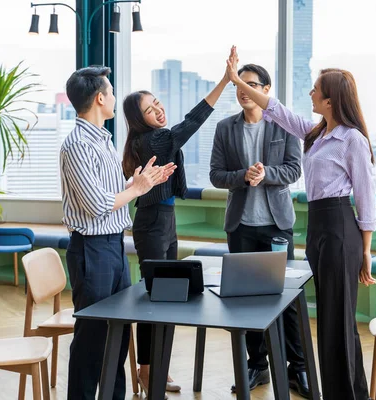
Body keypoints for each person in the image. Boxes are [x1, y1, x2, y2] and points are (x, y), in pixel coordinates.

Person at [226, 48, 376, 400]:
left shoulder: (352, 139)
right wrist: (236, 80)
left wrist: (367, 250)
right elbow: (275, 110)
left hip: (340, 227)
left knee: (338, 323)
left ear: (330, 99)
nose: (310, 93)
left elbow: (366, 196)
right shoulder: (317, 134)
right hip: (320, 229)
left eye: (315, 90)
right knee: (328, 320)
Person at [121, 48, 234, 397]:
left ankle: (154, 367)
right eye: (149, 109)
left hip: (164, 219)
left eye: (157, 103)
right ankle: (147, 370)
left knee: (165, 295)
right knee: (157, 295)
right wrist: (226, 81)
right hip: (153, 222)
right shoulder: (154, 138)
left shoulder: (154, 138)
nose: (158, 110)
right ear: (138, 120)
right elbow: (193, 121)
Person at [60, 65, 176, 400]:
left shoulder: (103, 140)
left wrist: (141, 183)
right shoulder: (79, 144)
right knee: (93, 338)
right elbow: (97, 205)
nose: (113, 97)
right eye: (110, 92)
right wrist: (137, 188)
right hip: (92, 250)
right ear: (99, 98)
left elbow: (109, 194)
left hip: (113, 246)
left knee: (119, 334)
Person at [209, 63, 310, 398]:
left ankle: (299, 369)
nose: (243, 90)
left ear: (266, 90)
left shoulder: (283, 124)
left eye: (250, 84)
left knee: (287, 299)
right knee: (245, 300)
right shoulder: (225, 128)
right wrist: (243, 176)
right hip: (241, 228)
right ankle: (257, 365)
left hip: (277, 226)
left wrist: (266, 174)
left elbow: (295, 169)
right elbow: (216, 175)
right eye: (239, 84)